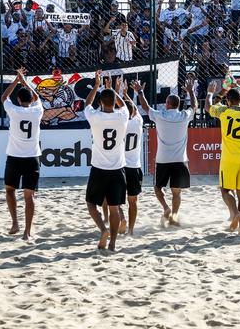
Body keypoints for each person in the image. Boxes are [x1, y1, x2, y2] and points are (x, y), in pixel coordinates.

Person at [132, 77, 197, 225]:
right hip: (180, 160)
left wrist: (140, 92)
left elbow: (145, 107)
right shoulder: (184, 116)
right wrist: (191, 91)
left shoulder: (161, 116)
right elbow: (194, 106)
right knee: (176, 192)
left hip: (163, 160)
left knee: (157, 188)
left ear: (168, 104)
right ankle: (174, 215)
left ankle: (166, 208)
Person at [205, 82, 240, 232]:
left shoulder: (224, 111)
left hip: (228, 159)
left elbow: (208, 107)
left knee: (225, 190)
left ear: (228, 101)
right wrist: (237, 86)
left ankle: (235, 212)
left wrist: (212, 92)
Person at [84, 71, 129, 251]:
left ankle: (103, 229)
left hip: (99, 168)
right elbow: (124, 104)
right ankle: (113, 244)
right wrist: (111, 90)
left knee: (91, 204)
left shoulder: (95, 116)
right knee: (114, 207)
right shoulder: (122, 116)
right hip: (118, 168)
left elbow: (87, 103)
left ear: (101, 103)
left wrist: (97, 86)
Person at [0, 67, 44, 241]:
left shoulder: (14, 111)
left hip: (14, 157)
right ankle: (27, 231)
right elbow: (37, 98)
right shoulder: (37, 111)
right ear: (30, 100)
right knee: (29, 195)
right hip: (32, 157)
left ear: (18, 99)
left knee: (10, 190)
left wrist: (16, 80)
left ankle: (14, 224)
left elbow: (4, 97)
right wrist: (24, 81)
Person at [118, 79, 143, 235]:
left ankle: (122, 218)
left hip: (119, 166)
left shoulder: (118, 122)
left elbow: (125, 109)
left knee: (114, 199)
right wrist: (126, 93)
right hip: (134, 167)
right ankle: (132, 230)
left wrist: (119, 93)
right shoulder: (138, 122)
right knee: (133, 201)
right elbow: (133, 109)